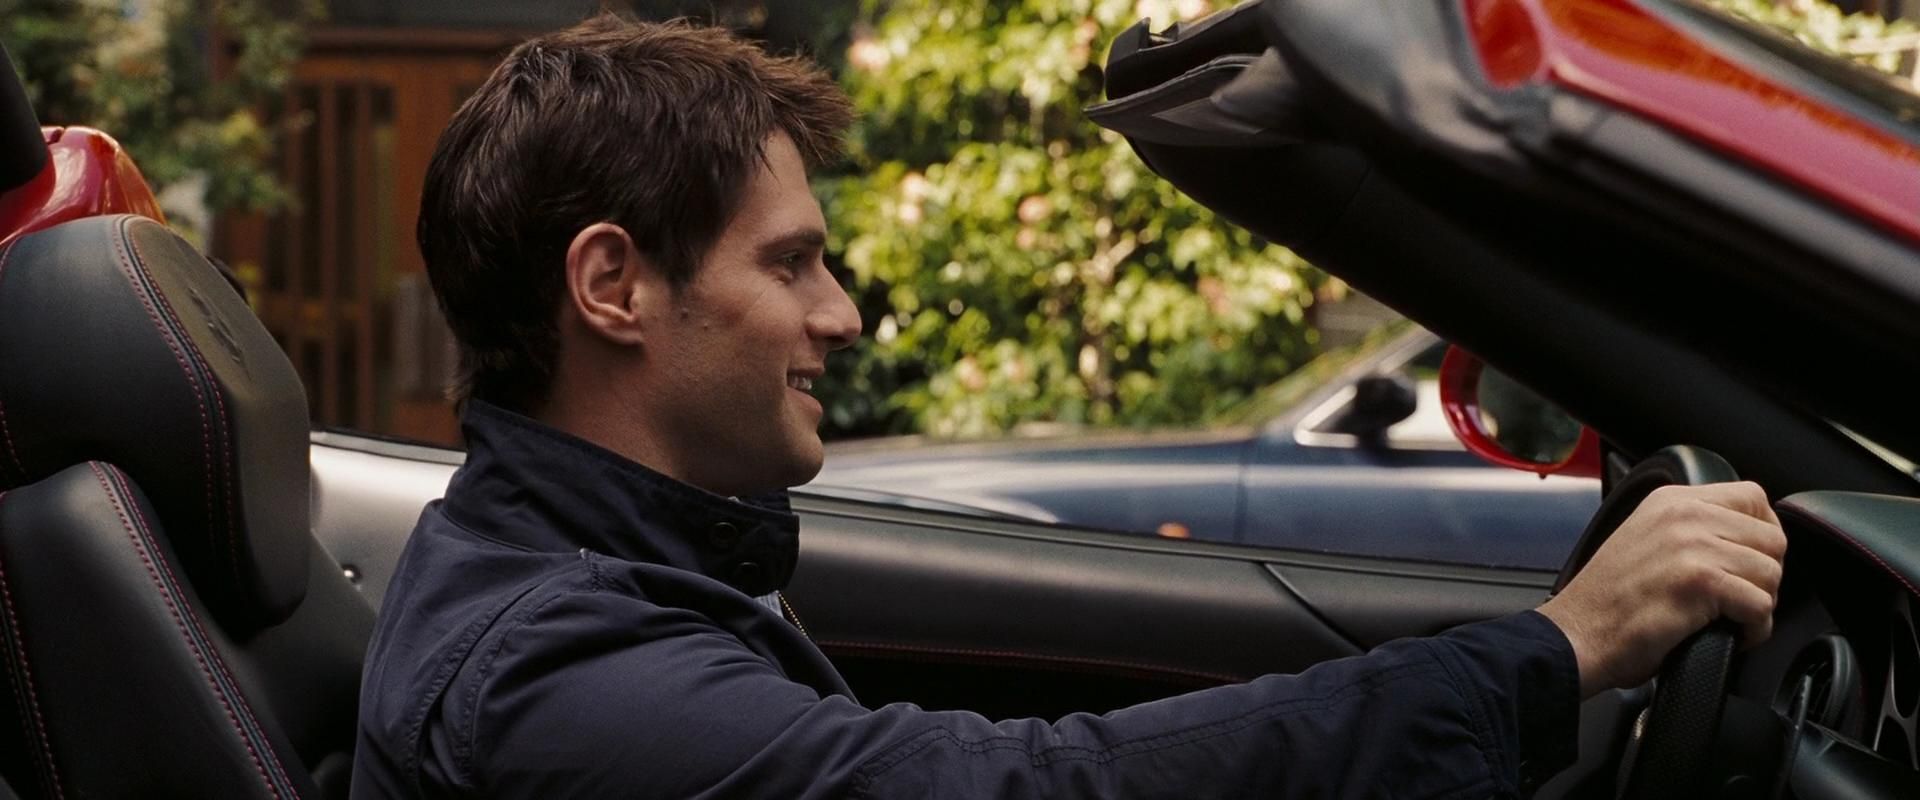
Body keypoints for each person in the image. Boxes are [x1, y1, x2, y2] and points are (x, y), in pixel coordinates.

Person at [350, 14, 1788, 799]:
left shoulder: (621, 570)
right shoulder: (554, 673)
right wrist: (1557, 653)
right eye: (791, 264)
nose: (842, 314)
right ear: (613, 286)